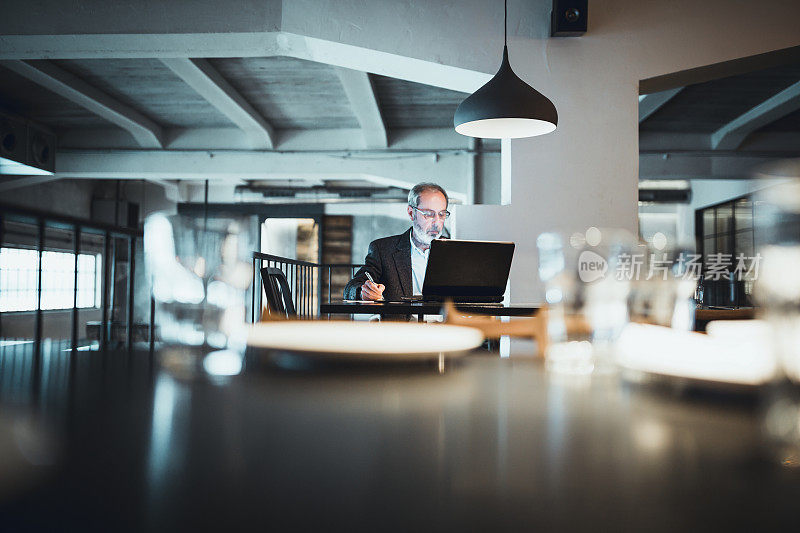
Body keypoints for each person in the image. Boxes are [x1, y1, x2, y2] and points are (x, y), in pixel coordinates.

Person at [344, 182, 450, 301]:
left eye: (442, 214)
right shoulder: (383, 250)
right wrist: (364, 292)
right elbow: (351, 287)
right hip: (401, 320)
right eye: (429, 214)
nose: (437, 222)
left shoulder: (455, 251)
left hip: (449, 320)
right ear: (411, 213)